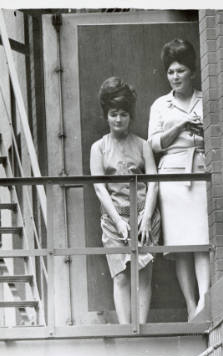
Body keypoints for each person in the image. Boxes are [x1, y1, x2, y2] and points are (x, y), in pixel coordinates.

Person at [148, 39, 209, 321]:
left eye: (181, 71)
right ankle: (190, 303)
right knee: (181, 246)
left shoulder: (204, 99)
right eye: (171, 71)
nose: (175, 77)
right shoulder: (161, 105)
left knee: (201, 238)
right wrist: (182, 125)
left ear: (191, 72)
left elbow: (215, 135)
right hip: (172, 175)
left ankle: (205, 300)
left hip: (198, 168)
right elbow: (154, 144)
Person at [90, 77, 160, 324]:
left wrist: (147, 217)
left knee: (144, 274)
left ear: (130, 115)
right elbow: (99, 188)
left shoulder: (143, 146)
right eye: (113, 114)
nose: (118, 119)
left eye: (123, 114)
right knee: (120, 276)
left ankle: (140, 328)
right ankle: (124, 330)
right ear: (106, 115)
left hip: (143, 216)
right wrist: (118, 222)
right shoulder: (98, 148)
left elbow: (153, 182)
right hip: (113, 219)